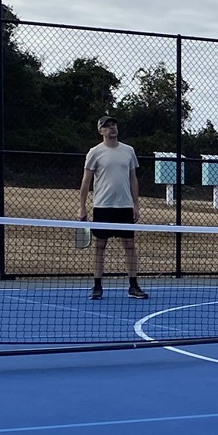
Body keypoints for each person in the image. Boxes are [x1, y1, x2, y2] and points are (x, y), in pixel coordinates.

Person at [79, 115, 146, 299]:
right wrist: (82, 207)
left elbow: (133, 179)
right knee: (100, 246)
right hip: (103, 206)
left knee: (130, 246)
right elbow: (86, 181)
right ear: (101, 131)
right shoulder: (94, 152)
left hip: (124, 207)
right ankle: (97, 286)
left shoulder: (129, 151)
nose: (112, 128)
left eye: (113, 125)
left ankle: (133, 286)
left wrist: (136, 205)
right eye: (107, 126)